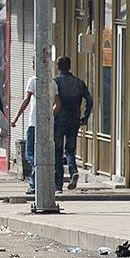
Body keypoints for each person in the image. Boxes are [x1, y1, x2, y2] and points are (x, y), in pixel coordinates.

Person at [11, 62, 62, 195]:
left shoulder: (33, 81)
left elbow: (26, 100)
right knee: (43, 152)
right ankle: (44, 173)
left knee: (30, 154)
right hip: (48, 125)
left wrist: (15, 118)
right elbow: (58, 104)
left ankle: (36, 180)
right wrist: (49, 115)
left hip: (34, 123)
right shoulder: (53, 83)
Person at [53, 56, 93, 193]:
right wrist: (85, 116)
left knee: (57, 151)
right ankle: (73, 171)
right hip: (74, 118)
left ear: (58, 67)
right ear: (70, 66)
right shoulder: (79, 83)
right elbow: (89, 99)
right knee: (70, 149)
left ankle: (58, 185)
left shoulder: (55, 82)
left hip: (59, 119)